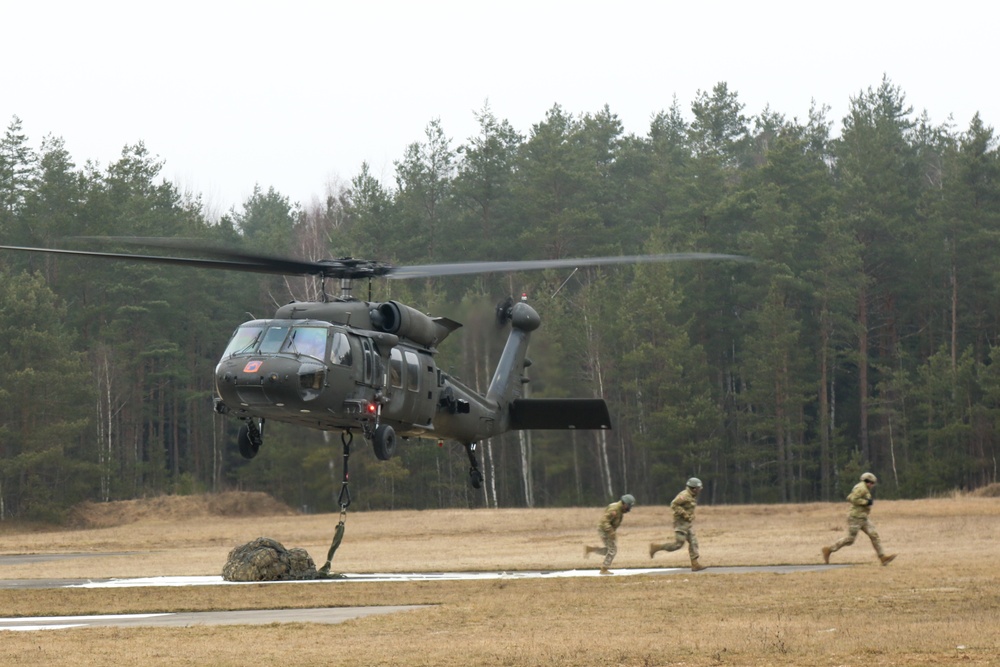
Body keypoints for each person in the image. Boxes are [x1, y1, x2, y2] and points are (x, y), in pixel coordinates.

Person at [822, 472, 897, 566]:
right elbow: (852, 499)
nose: (872, 485)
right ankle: (829, 550)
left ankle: (882, 557)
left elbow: (849, 497)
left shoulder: (862, 488)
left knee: (874, 535)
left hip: (863, 517)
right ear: (868, 482)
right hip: (855, 517)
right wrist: (866, 502)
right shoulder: (861, 488)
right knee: (850, 539)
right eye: (872, 483)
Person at [649, 477, 706, 571]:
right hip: (680, 523)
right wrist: (685, 514)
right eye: (699, 488)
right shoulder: (684, 495)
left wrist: (690, 516)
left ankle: (695, 564)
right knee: (678, 545)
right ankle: (656, 547)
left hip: (687, 524)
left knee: (693, 542)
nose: (700, 490)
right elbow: (674, 504)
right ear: (694, 488)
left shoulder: (692, 496)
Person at [584, 494, 635, 575]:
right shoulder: (614, 510)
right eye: (629, 505)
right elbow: (605, 522)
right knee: (613, 550)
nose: (629, 508)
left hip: (608, 529)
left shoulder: (619, 509)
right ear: (624, 504)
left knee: (609, 550)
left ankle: (591, 549)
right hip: (604, 530)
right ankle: (604, 569)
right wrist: (611, 532)